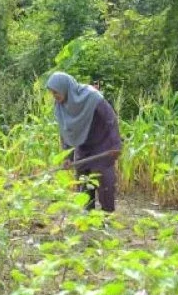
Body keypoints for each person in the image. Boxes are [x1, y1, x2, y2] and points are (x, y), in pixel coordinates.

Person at [46, 72, 122, 212]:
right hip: (83, 145)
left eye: (56, 93)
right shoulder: (61, 106)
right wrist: (67, 157)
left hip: (103, 143)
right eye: (53, 93)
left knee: (105, 181)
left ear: (65, 88)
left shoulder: (91, 96)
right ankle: (87, 214)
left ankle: (107, 215)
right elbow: (66, 131)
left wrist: (115, 144)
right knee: (83, 180)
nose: (54, 97)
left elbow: (110, 119)